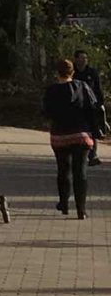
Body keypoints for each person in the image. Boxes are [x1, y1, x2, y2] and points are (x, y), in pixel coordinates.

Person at [41, 57, 100, 218]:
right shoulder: (83, 86)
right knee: (80, 172)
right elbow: (92, 108)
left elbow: (46, 112)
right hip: (81, 134)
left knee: (63, 169)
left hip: (60, 135)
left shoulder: (51, 90)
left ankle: (64, 203)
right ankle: (81, 209)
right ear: (73, 72)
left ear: (57, 73)